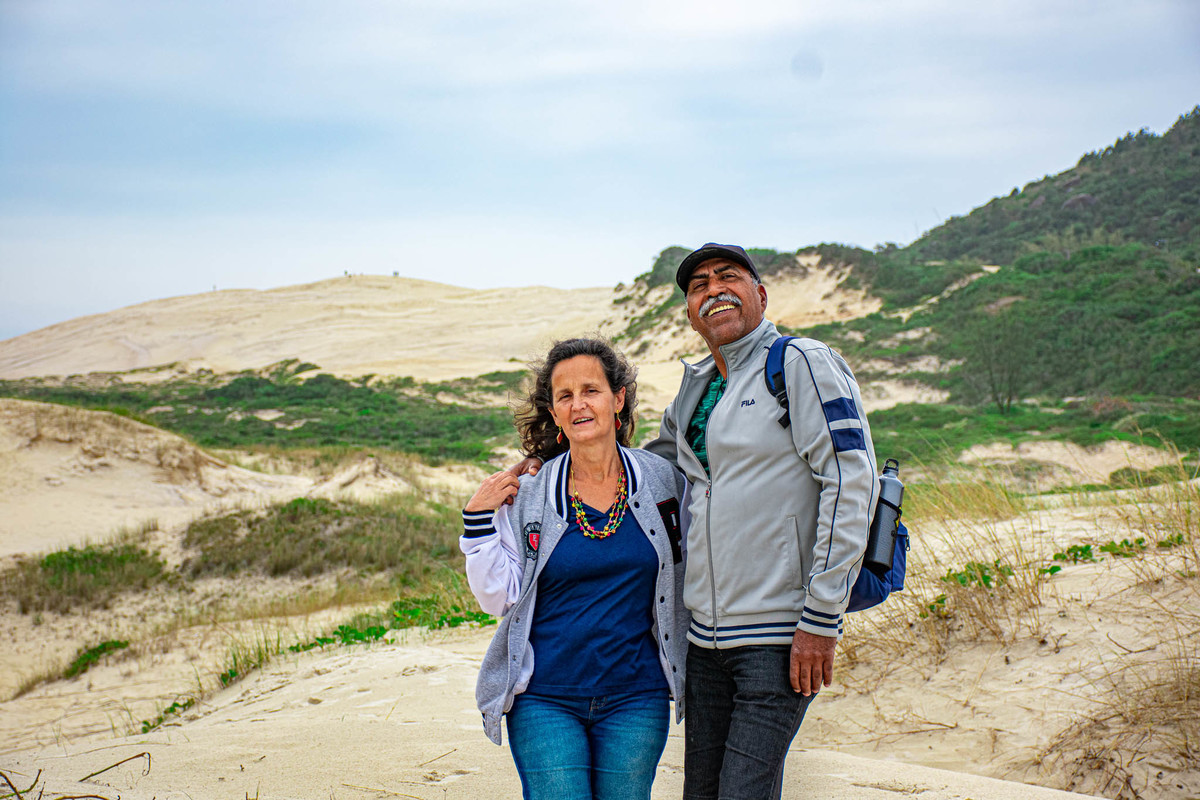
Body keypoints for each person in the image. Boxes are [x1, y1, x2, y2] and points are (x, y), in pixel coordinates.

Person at [642, 243, 881, 800]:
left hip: (780, 637)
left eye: (728, 277)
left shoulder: (800, 362)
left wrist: (822, 617)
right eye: (698, 285)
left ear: (760, 294)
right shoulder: (694, 387)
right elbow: (651, 472)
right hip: (705, 643)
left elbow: (850, 481)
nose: (713, 290)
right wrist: (551, 465)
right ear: (689, 311)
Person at [459, 338, 690, 800]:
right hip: (544, 697)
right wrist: (478, 523)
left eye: (591, 390)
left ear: (617, 398)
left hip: (637, 696)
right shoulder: (529, 492)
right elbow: (499, 598)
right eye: (564, 396)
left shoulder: (664, 482)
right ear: (554, 412)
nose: (579, 404)